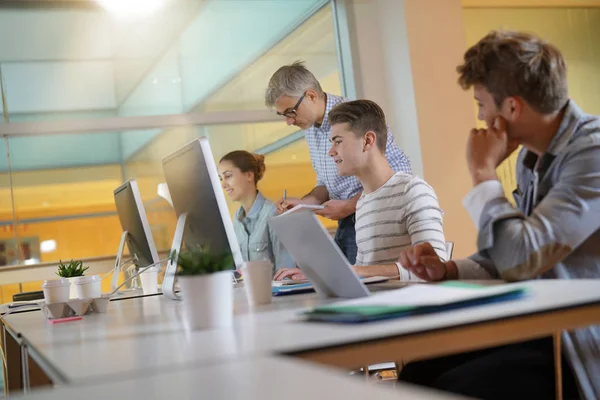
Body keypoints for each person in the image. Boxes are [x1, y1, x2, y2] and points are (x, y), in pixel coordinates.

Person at [396, 30, 600, 400]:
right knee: (418, 373)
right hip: (539, 327)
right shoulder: (529, 156)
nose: (479, 116)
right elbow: (511, 253)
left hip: (580, 343)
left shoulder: (593, 153)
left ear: (512, 108)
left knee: (452, 387)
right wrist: (451, 269)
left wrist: (483, 174)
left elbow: (523, 258)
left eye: (480, 103)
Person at [274, 100, 446, 281]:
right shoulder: (363, 202)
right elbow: (361, 272)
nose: (331, 152)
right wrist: (316, 276)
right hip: (373, 304)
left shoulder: (413, 192)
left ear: (367, 141)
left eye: (338, 142)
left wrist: (352, 271)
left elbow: (433, 266)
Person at [265, 61, 412, 264]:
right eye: (283, 115)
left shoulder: (355, 116)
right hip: (346, 222)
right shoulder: (310, 129)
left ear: (311, 96)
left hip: (371, 216)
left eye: (291, 112)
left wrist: (350, 205)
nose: (288, 121)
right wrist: (303, 204)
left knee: (362, 288)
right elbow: (324, 183)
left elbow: (399, 171)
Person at [218, 150, 295, 272]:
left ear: (249, 175)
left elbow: (286, 274)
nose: (223, 184)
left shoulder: (275, 214)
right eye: (221, 178)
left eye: (228, 176)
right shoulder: (237, 219)